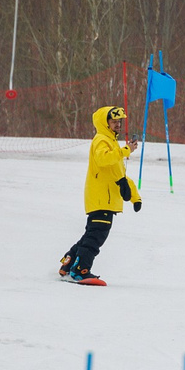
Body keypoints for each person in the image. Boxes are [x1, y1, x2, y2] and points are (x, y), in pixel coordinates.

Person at [58, 104, 138, 285]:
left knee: (91, 234)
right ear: (105, 122)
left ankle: (69, 263)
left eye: (119, 121)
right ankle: (81, 270)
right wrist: (125, 150)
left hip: (105, 198)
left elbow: (119, 174)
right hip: (102, 197)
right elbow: (103, 159)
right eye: (114, 121)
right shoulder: (101, 140)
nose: (118, 124)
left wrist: (135, 196)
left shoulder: (109, 141)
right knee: (96, 236)